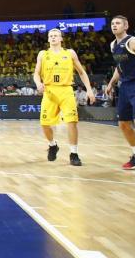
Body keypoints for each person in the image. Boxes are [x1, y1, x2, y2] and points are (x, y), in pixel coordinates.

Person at [34, 28, 95, 166]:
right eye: (51, 36)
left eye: (56, 35)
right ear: (48, 39)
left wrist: (89, 90)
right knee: (44, 124)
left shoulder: (70, 53)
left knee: (72, 122)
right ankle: (53, 145)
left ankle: (74, 154)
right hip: (49, 91)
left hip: (66, 90)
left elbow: (82, 72)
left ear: (61, 38)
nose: (53, 37)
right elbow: (36, 73)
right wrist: (38, 83)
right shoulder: (43, 54)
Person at [106, 15, 135, 169]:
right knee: (123, 123)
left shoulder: (134, 41)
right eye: (113, 23)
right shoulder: (113, 44)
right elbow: (119, 66)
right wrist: (111, 82)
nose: (114, 25)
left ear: (126, 26)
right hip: (125, 86)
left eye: (118, 23)